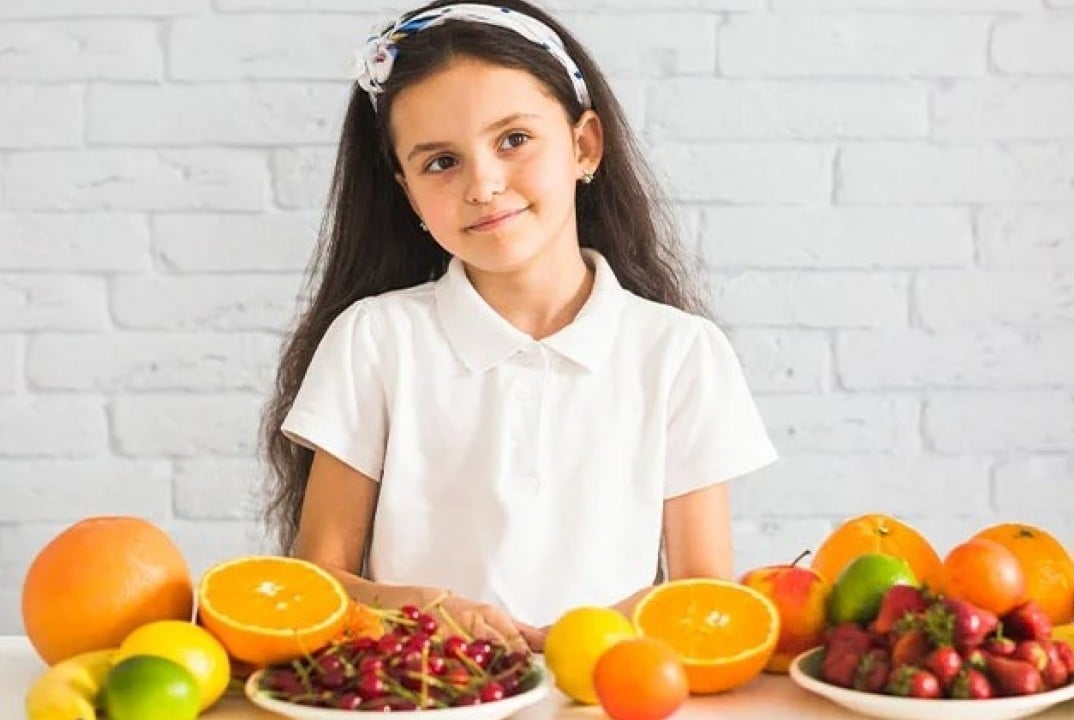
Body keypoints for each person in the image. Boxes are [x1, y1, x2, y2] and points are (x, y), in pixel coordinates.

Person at [261, 0, 777, 654]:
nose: (483, 183)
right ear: (407, 193)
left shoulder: (679, 354)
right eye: (440, 162)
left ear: (584, 146)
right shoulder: (374, 342)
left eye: (513, 140)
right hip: (427, 698)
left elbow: (706, 593)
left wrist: (593, 632)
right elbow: (315, 583)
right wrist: (420, 609)